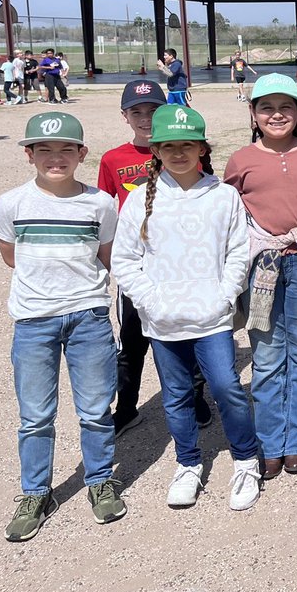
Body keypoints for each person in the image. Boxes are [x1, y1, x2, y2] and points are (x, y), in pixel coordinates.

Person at [111, 104, 262, 511]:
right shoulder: (140, 199)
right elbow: (124, 259)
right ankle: (188, 463)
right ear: (156, 150)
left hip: (211, 316)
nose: (179, 153)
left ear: (202, 149)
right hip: (163, 320)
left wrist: (224, 295)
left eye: (188, 145)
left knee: (227, 388)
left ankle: (246, 459)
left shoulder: (224, 196)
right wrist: (151, 301)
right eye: (169, 146)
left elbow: (237, 252)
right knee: (176, 395)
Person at [0, 111, 126, 541]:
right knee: (34, 416)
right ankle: (36, 491)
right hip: (33, 320)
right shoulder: (12, 202)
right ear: (29, 155)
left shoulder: (100, 204)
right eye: (44, 150)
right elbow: (10, 255)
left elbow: (106, 256)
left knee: (96, 410)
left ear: (82, 154)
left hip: (88, 316)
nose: (56, 158)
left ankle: (100, 479)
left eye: (67, 149)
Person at [225, 74, 297, 479]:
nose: (277, 115)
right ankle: (271, 441)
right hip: (262, 265)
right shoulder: (240, 160)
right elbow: (230, 212)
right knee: (266, 357)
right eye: (266, 107)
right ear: (253, 114)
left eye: (286, 106)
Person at [98, 80, 212, 436]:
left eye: (152, 111)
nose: (145, 118)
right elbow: (103, 210)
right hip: (138, 267)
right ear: (125, 116)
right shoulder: (113, 159)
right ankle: (127, 407)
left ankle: (195, 399)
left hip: (179, 264)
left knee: (186, 335)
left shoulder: (183, 150)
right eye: (137, 112)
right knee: (131, 343)